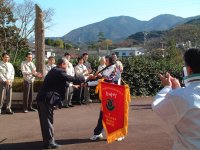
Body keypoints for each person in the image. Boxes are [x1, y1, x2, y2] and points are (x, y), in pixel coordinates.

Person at [152, 48, 200, 150]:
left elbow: (158, 107)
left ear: (189, 69)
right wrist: (178, 90)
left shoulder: (180, 96)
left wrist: (167, 87)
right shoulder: (181, 95)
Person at [36, 58, 86, 149]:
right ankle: (49, 143)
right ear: (63, 64)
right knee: (47, 121)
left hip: (44, 99)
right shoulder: (59, 71)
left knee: (46, 121)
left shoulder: (55, 70)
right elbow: (72, 78)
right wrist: (86, 77)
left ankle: (47, 141)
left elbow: (63, 82)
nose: (67, 67)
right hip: (46, 100)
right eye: (67, 65)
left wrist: (73, 85)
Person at [89, 55, 117, 141]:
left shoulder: (113, 67)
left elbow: (106, 77)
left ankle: (116, 133)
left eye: (107, 60)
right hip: (106, 92)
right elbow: (100, 79)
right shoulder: (107, 67)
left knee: (110, 114)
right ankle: (98, 133)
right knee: (104, 113)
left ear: (110, 61)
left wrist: (98, 75)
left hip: (112, 93)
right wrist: (88, 82)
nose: (105, 61)